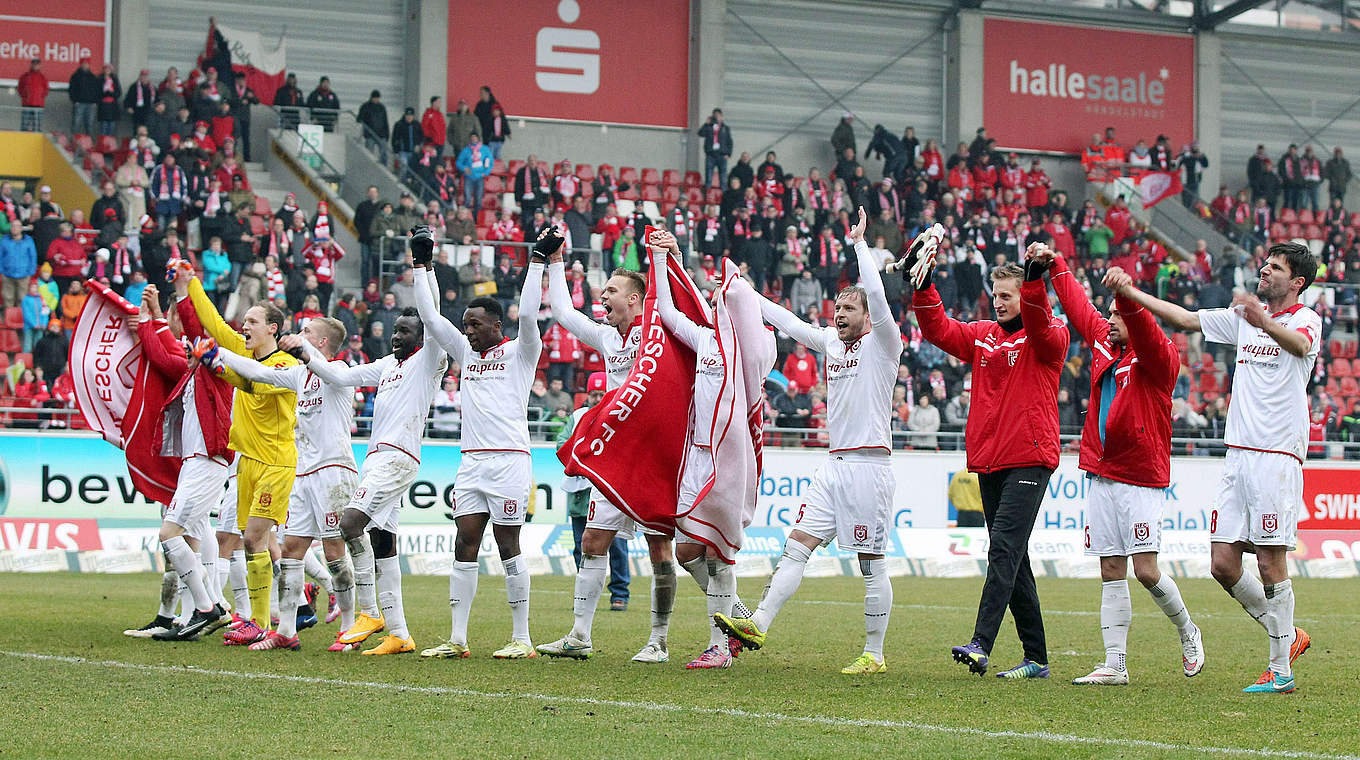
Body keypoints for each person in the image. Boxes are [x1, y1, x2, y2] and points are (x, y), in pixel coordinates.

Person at [1113, 242, 1320, 694]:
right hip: (1238, 455)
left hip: (1276, 455)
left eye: (1275, 267)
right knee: (1223, 563)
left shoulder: (1306, 320)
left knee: (1269, 560)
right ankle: (1287, 637)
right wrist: (1132, 294)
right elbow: (1185, 318)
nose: (1264, 270)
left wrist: (1259, 319)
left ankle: (1280, 670)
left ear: (1297, 282)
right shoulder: (1243, 319)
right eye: (1265, 264)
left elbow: (1300, 346)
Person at [716, 208, 902, 675]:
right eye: (837, 308)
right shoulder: (832, 344)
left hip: (869, 467)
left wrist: (860, 244)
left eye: (848, 310)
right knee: (796, 545)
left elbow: (876, 294)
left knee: (871, 562)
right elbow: (788, 321)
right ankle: (757, 623)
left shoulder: (886, 343)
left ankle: (875, 655)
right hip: (834, 467)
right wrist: (744, 291)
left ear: (868, 317)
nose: (839, 315)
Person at [1041, 248, 1206, 685]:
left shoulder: (1159, 357)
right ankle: (1115, 665)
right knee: (1110, 569)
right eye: (1111, 314)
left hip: (1141, 478)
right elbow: (1078, 305)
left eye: (1118, 315)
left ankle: (1188, 630)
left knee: (1146, 570)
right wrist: (1056, 262)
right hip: (1101, 474)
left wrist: (1128, 297)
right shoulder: (1104, 342)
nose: (1109, 320)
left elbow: (1148, 331)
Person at [911, 242, 1068, 679]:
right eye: (994, 296)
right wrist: (924, 286)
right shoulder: (983, 334)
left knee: (1002, 549)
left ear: (1027, 295)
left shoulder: (1050, 334)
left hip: (1030, 458)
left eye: (1007, 296)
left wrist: (1037, 282)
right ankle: (1036, 659)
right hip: (990, 460)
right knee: (1014, 558)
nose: (997, 304)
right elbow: (939, 330)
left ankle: (982, 642)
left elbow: (1039, 322)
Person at [411, 224, 545, 659]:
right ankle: (458, 638)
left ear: (496, 325)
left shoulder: (521, 352)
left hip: (509, 461)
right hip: (471, 462)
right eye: (465, 324)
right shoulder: (467, 352)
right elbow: (430, 316)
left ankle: (521, 638)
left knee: (508, 545)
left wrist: (537, 263)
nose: (467, 331)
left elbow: (528, 316)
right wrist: (422, 264)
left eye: (475, 324)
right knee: (464, 541)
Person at [299, 297, 448, 655]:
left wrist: (423, 265)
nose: (396, 336)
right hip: (377, 460)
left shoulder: (429, 359)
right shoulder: (386, 365)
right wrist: (306, 353)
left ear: (422, 335)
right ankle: (399, 634)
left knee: (350, 524)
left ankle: (369, 612)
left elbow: (432, 312)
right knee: (384, 545)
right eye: (395, 330)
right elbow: (339, 374)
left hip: (398, 459)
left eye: (405, 331)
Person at [536, 230, 659, 660]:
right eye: (602, 290)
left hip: (654, 455)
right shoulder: (608, 339)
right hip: (615, 457)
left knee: (665, 548)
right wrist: (555, 260)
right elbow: (563, 311)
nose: (602, 296)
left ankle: (659, 641)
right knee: (592, 540)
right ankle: (579, 636)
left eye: (611, 290)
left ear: (635, 300)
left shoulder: (658, 332)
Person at [650, 229, 769, 669]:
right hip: (697, 456)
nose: (720, 298)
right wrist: (663, 260)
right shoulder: (704, 340)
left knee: (719, 553)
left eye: (728, 296)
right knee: (686, 552)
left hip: (729, 458)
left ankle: (720, 647)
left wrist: (743, 300)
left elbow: (756, 344)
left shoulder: (755, 348)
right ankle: (738, 615)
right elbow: (665, 310)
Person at [212, 316, 359, 651]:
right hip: (303, 472)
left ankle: (349, 627)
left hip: (333, 470)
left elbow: (319, 363)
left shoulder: (339, 372)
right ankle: (287, 630)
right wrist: (217, 353)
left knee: (336, 549)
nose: (299, 334)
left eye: (308, 332)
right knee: (291, 549)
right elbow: (260, 373)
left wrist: (301, 346)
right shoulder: (298, 375)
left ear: (321, 343)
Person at [173, 260, 299, 646]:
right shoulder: (249, 357)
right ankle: (261, 621)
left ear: (272, 328)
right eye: (243, 322)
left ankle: (273, 622)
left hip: (275, 463)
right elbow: (214, 325)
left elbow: (255, 384)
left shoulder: (284, 364)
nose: (244, 327)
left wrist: (218, 361)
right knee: (251, 542)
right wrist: (190, 284)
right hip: (247, 461)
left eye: (253, 322)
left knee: (257, 539)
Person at [130, 286, 233, 641]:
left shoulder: (214, 372)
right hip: (195, 463)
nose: (186, 350)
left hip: (208, 462)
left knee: (172, 533)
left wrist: (175, 296)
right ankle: (201, 609)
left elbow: (170, 347)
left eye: (192, 346)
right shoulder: (191, 375)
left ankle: (208, 606)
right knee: (189, 534)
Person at [456, 133, 494, 211]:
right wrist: (464, 168)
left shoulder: (485, 149)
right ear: (469, 139)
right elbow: (458, 162)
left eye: (475, 138)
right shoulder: (466, 150)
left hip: (480, 176)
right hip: (469, 176)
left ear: (478, 139)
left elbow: (490, 162)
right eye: (472, 138)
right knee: (467, 199)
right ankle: (466, 218)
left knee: (478, 199)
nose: (473, 140)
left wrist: (486, 173)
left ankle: (477, 219)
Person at [698, 108, 733, 188]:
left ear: (721, 116)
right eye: (715, 116)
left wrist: (728, 154)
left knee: (723, 178)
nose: (716, 117)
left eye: (718, 116)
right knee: (709, 177)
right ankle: (708, 194)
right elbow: (700, 133)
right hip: (711, 154)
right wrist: (706, 124)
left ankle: (723, 196)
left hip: (722, 154)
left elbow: (729, 142)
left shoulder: (725, 128)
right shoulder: (709, 127)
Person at [358, 90, 390, 163]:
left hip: (381, 135)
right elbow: (359, 119)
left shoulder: (382, 107)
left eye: (377, 98)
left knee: (384, 154)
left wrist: (387, 135)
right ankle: (369, 169)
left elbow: (385, 121)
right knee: (369, 155)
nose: (376, 99)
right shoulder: (365, 106)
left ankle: (383, 169)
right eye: (375, 98)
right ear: (371, 98)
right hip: (370, 135)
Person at [17, 59, 49, 132]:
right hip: (27, 104)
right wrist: (25, 96)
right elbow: (20, 88)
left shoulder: (42, 77)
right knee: (25, 125)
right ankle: (23, 139)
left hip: (38, 105)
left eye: (37, 64)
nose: (35, 66)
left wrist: (40, 97)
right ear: (31, 64)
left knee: (37, 126)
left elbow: (46, 90)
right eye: (34, 64)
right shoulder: (25, 76)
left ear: (40, 66)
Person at [421, 96, 446, 160]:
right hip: (432, 143)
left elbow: (443, 128)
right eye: (439, 102)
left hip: (441, 143)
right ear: (434, 103)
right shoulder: (428, 113)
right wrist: (429, 137)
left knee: (438, 162)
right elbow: (424, 127)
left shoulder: (440, 114)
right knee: (431, 161)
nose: (440, 103)